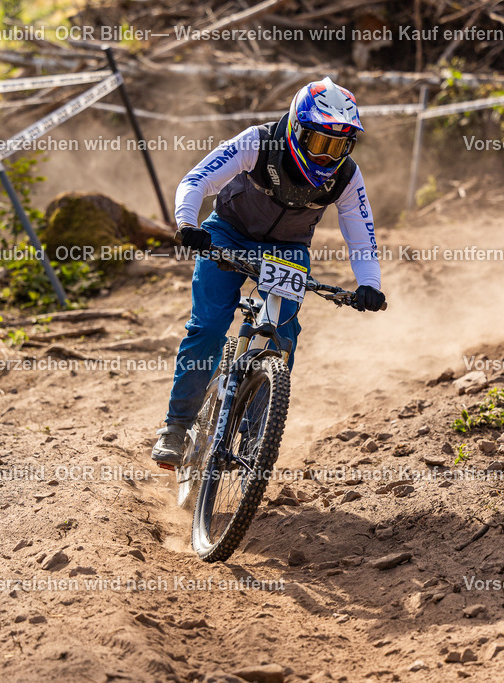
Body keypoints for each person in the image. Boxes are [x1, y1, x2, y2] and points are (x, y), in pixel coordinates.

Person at [151, 77, 386, 469]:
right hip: (226, 233)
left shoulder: (347, 177)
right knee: (208, 326)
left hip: (287, 250)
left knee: (283, 337)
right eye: (319, 143)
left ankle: (256, 437)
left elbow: (361, 234)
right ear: (296, 129)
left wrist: (370, 284)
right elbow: (197, 179)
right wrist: (188, 224)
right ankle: (176, 426)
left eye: (337, 146)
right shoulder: (258, 142)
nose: (326, 156)